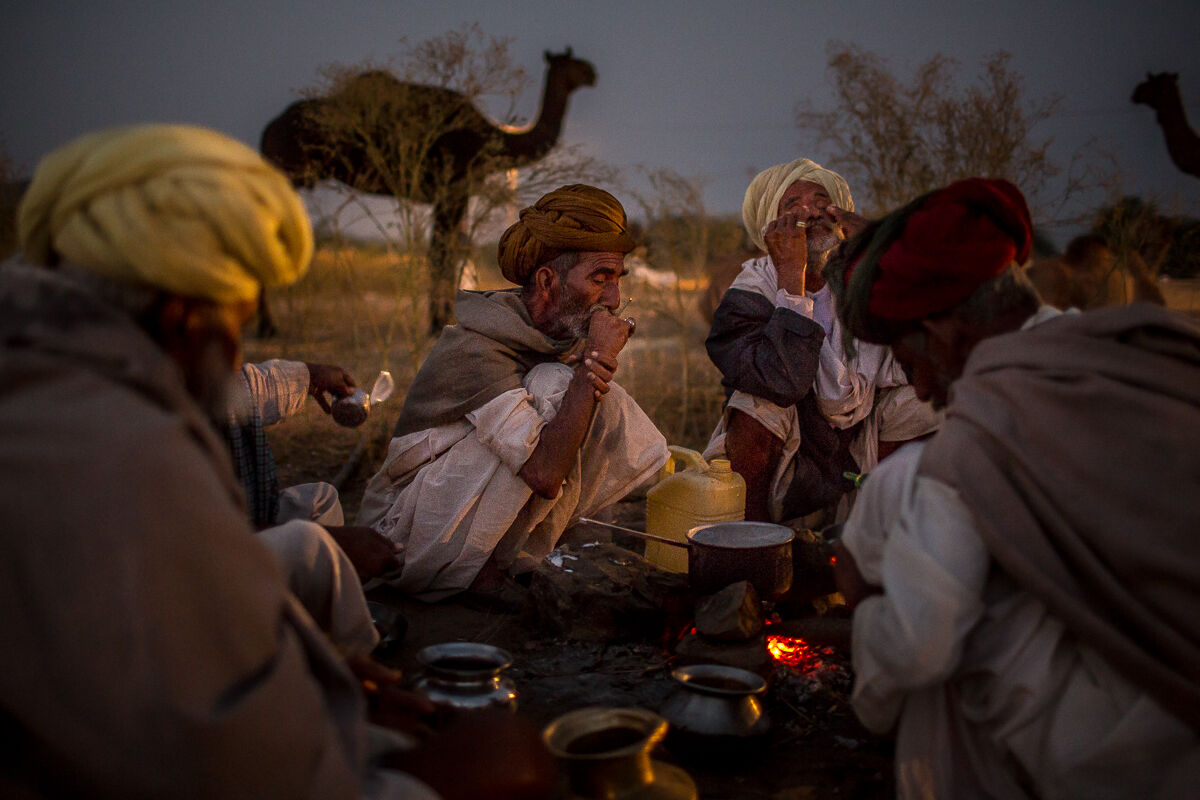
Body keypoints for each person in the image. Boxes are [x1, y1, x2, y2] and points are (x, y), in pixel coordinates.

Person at [0, 124, 554, 799]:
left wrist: (322, 673)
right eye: (235, 320)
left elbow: (177, 613)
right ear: (183, 314)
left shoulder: (48, 372)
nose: (236, 355)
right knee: (511, 755)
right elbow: (242, 765)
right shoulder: (126, 453)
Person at [825, 177, 1200, 798]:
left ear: (941, 331)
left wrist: (864, 618)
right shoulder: (1147, 347)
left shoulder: (982, 445)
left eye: (912, 364)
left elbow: (920, 644)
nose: (919, 390)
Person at [357, 184, 669, 600]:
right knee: (559, 386)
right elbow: (544, 474)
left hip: (450, 523)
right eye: (600, 278)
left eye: (617, 280)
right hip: (406, 532)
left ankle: (521, 557)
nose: (612, 299)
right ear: (547, 280)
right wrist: (595, 359)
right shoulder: (475, 345)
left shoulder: (555, 334)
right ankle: (479, 573)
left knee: (587, 396)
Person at [703, 158, 939, 525]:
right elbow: (782, 382)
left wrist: (882, 253)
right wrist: (791, 279)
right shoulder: (751, 291)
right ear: (769, 225)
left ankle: (891, 521)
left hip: (858, 443)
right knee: (755, 404)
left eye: (820, 200)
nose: (809, 212)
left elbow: (928, 355)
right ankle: (755, 547)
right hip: (790, 448)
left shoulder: (860, 279)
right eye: (790, 205)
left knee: (924, 404)